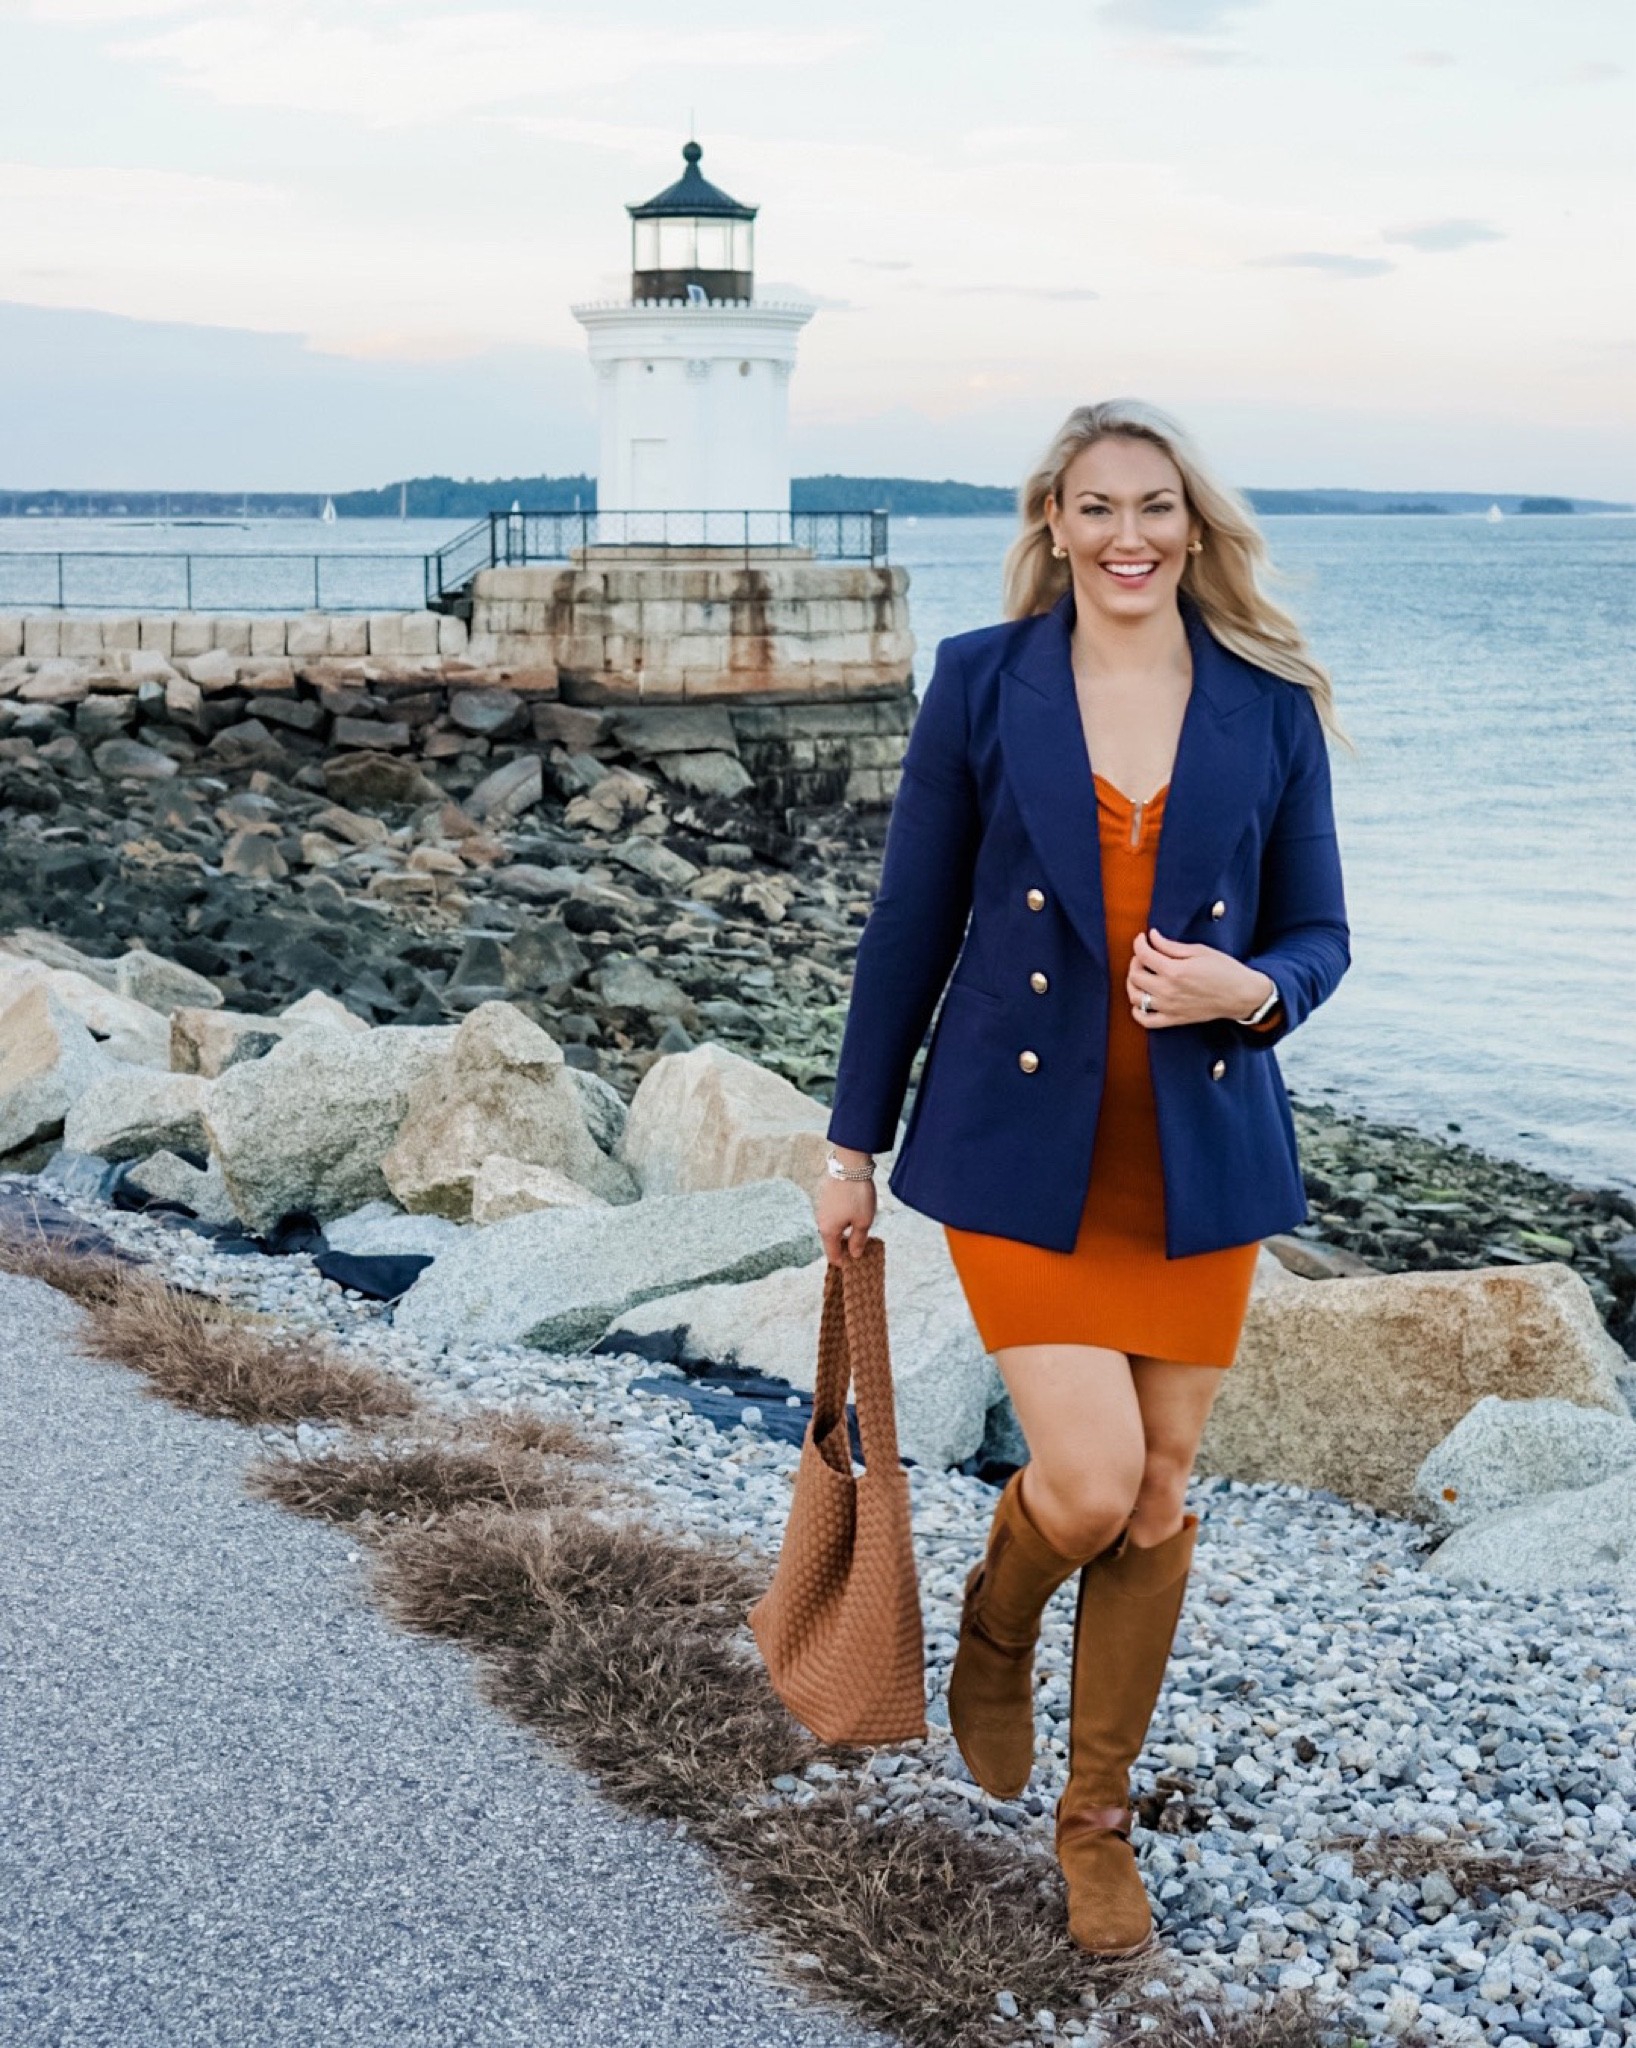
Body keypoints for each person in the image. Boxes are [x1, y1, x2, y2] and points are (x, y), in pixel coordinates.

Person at [813, 398, 1354, 1959]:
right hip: (1013, 1150)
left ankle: (1094, 1822)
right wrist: (851, 1143)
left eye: (1159, 507)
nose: (1131, 537)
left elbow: (1318, 929)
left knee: (1163, 1494)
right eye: (1099, 506)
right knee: (1092, 1481)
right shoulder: (985, 682)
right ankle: (995, 1630)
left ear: (1197, 526)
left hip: (1200, 1159)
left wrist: (1248, 992)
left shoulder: (1267, 699)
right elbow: (910, 925)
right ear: (1053, 519)